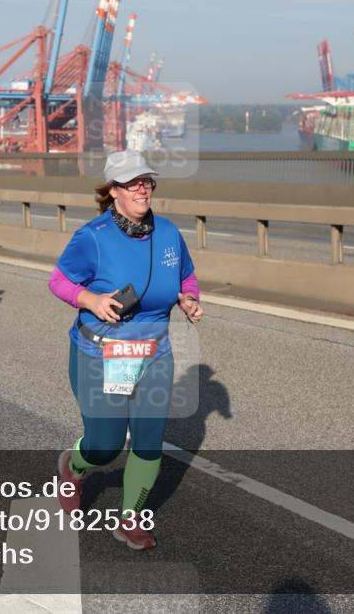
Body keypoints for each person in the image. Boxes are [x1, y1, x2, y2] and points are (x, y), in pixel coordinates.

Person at [48, 149, 204, 550]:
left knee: (148, 442)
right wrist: (91, 300)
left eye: (147, 181)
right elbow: (59, 281)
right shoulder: (93, 237)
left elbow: (186, 276)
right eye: (133, 182)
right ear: (114, 190)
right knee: (105, 446)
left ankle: (130, 519)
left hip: (155, 353)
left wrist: (188, 299)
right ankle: (74, 466)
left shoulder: (168, 233)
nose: (142, 188)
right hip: (102, 354)